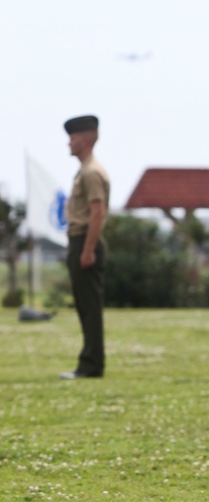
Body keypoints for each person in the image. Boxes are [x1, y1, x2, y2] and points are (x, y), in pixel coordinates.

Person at [61, 114, 110, 379]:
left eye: (73, 137)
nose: (69, 143)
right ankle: (89, 361)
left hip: (85, 240)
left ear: (86, 138)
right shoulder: (85, 170)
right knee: (84, 306)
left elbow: (97, 212)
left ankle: (91, 365)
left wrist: (88, 249)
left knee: (90, 308)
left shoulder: (92, 172)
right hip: (80, 240)